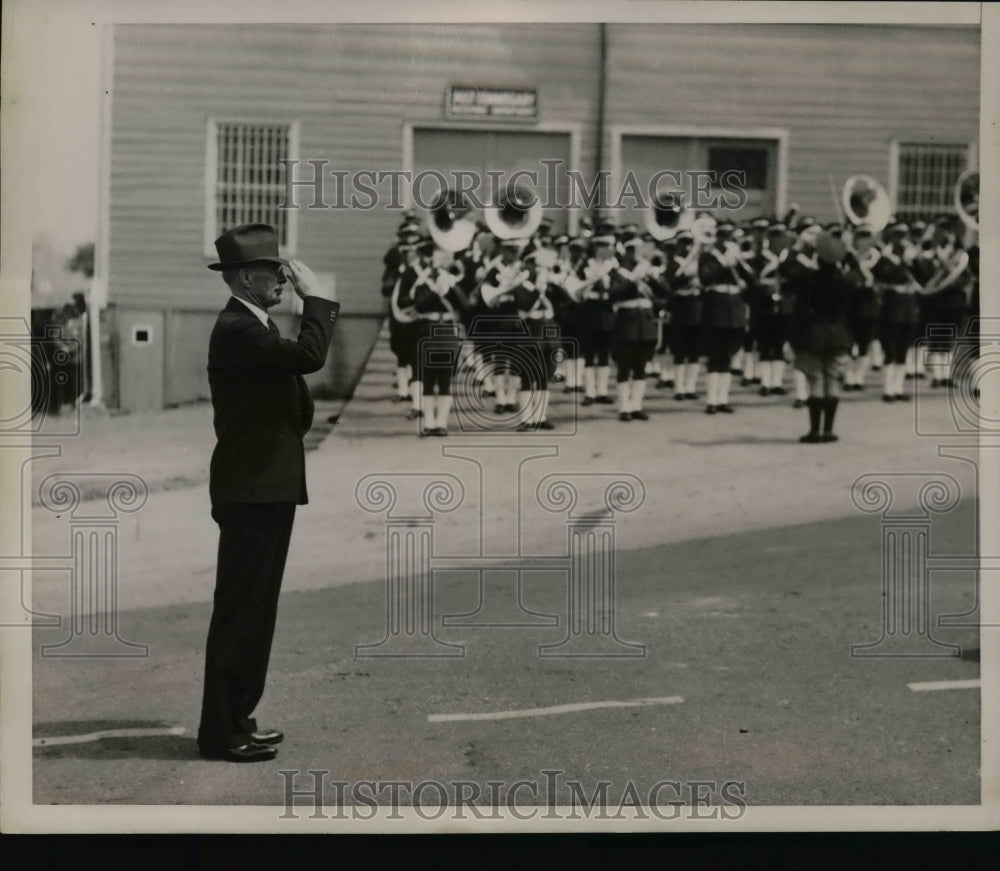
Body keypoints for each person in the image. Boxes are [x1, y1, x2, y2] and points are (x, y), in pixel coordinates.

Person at [198, 223, 339, 762]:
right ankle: (221, 732)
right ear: (241, 278)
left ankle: (237, 718)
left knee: (256, 611)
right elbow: (308, 357)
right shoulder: (238, 328)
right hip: (252, 488)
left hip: (262, 486)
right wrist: (317, 298)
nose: (282, 278)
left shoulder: (251, 325)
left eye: (282, 270)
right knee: (242, 611)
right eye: (271, 272)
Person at [791, 232, 853, 443]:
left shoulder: (810, 280)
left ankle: (814, 431)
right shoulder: (845, 281)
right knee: (832, 381)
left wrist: (799, 248)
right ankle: (829, 430)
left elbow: (790, 273)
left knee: (815, 381)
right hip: (838, 334)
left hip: (814, 334)